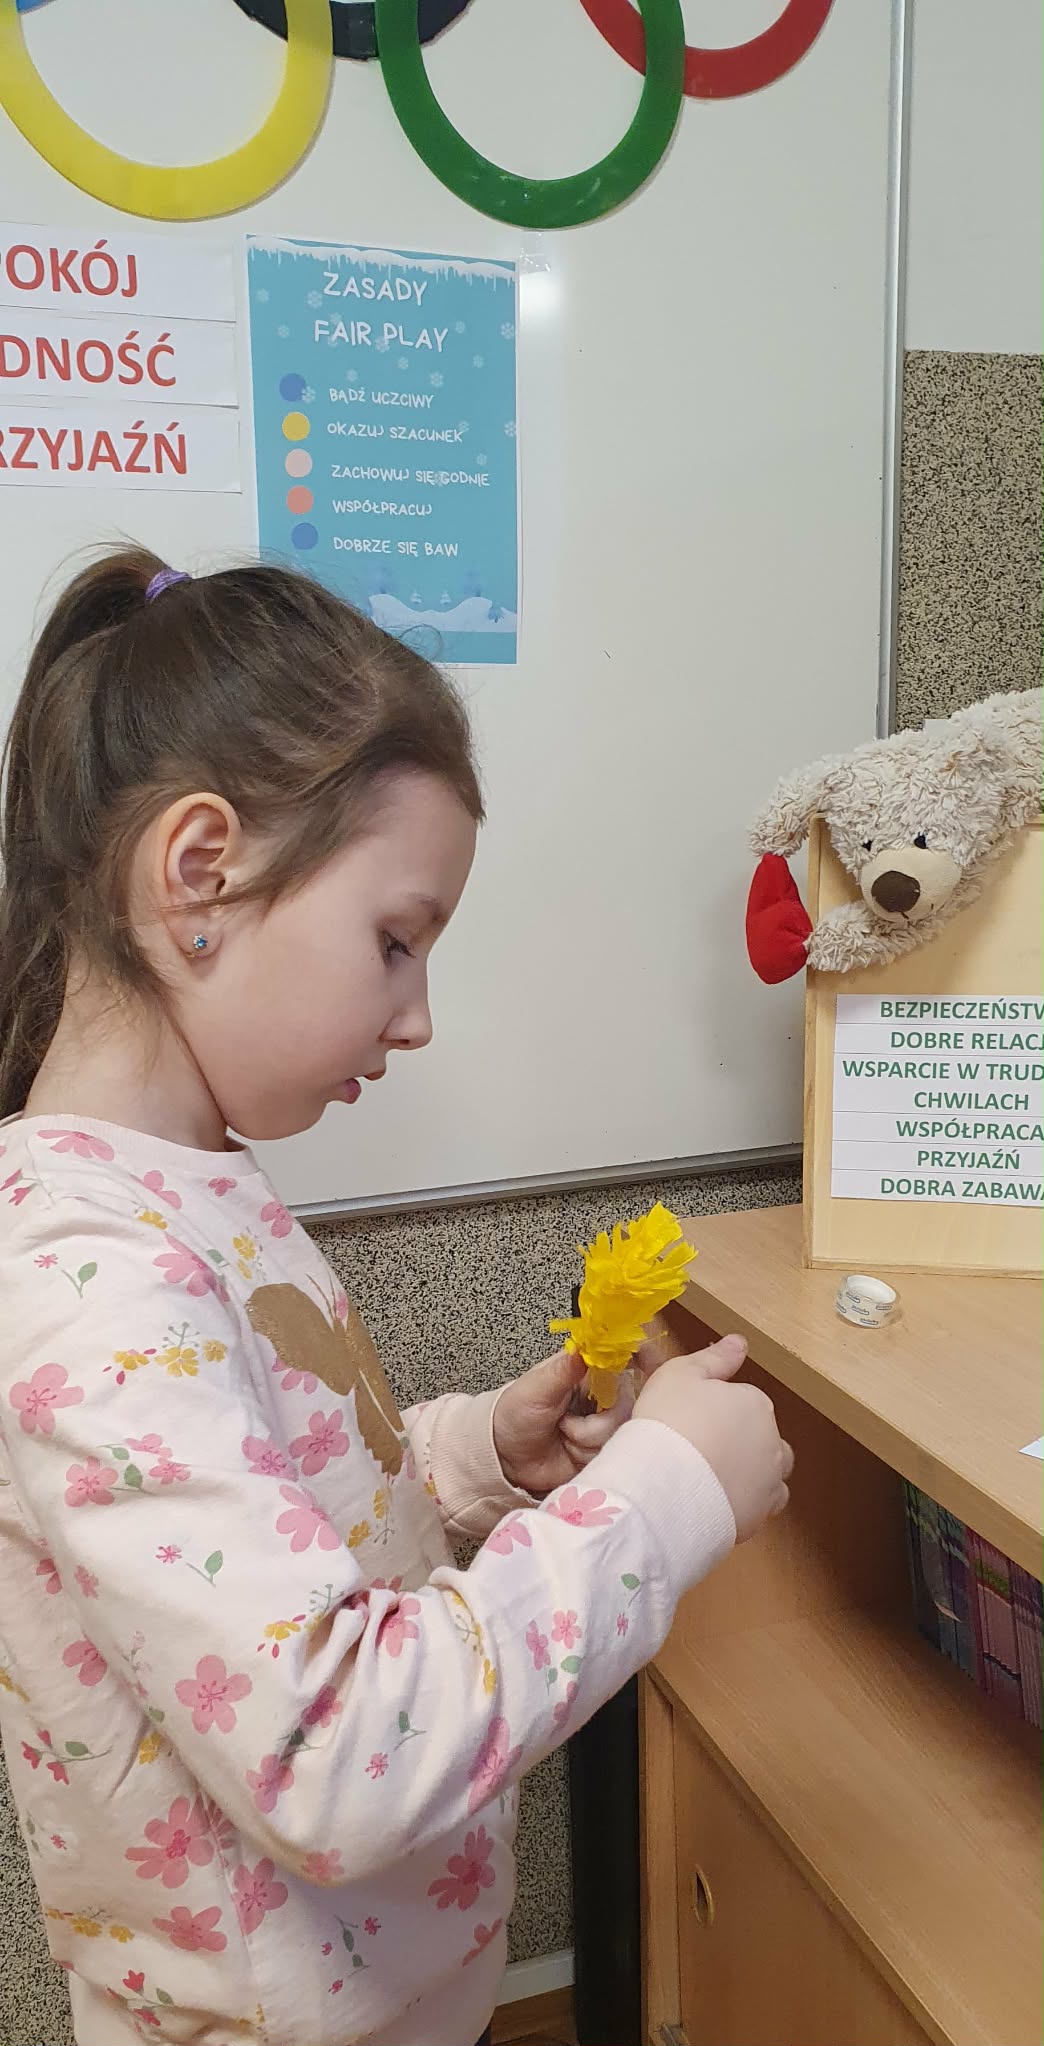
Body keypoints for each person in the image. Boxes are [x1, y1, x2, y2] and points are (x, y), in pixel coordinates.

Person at [0, 550, 792, 2046]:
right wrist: (665, 1498)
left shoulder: (185, 1188)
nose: (418, 1016)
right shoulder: (83, 1278)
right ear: (199, 871)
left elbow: (267, 1513)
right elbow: (332, 1750)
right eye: (395, 940)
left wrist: (475, 1456)